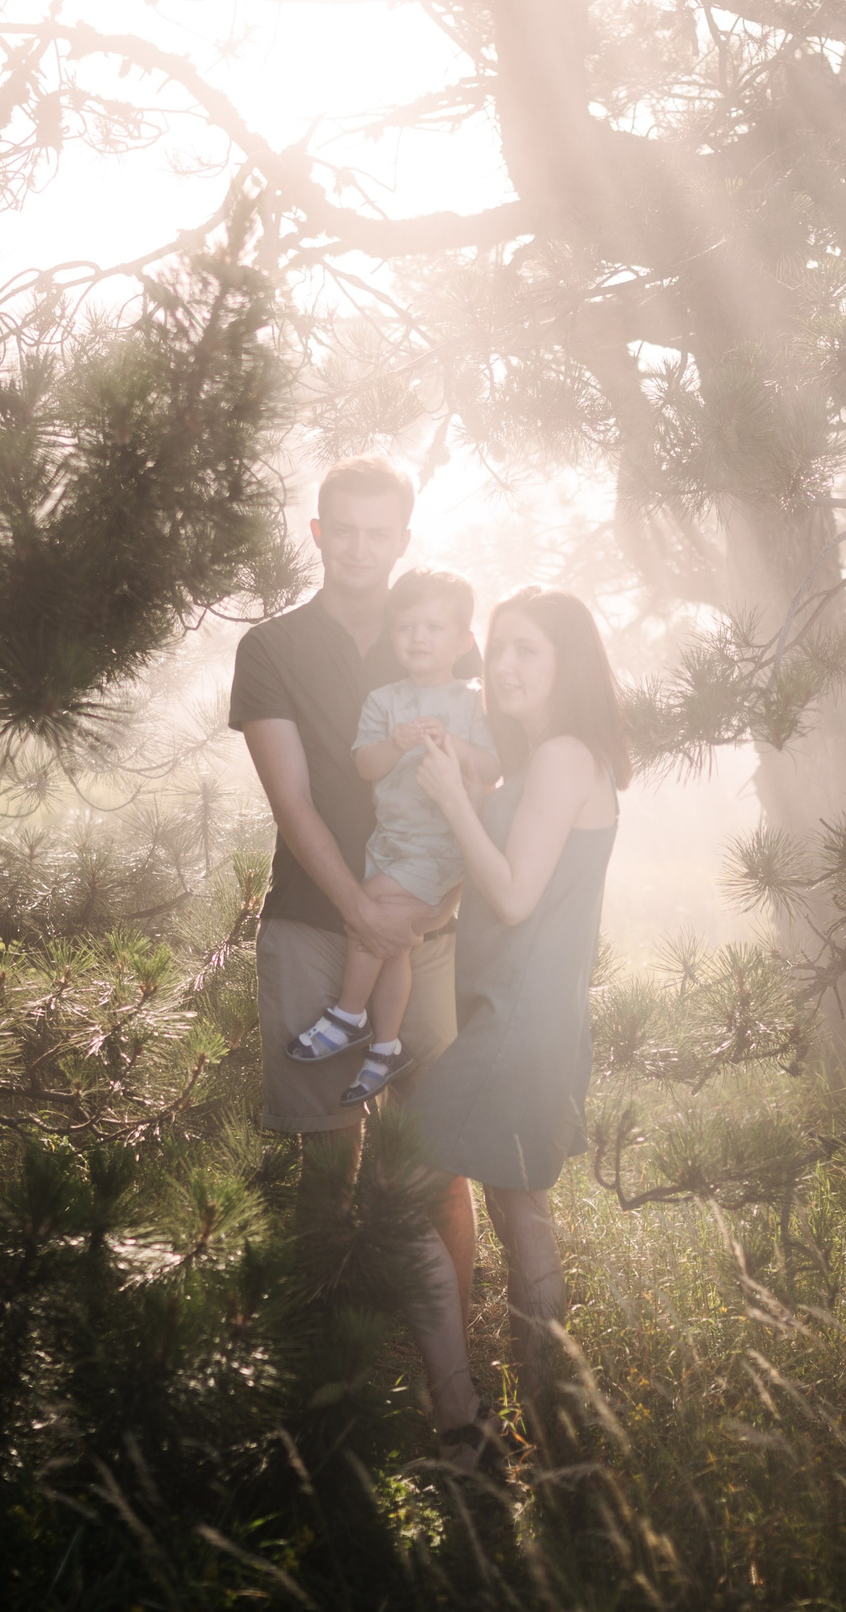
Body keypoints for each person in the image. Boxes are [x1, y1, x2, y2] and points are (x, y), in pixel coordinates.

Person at [394, 587, 627, 1472]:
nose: (506, 666)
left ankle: (463, 1426)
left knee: (401, 1181)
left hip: (517, 1025)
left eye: (528, 649)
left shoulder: (566, 754)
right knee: (518, 1204)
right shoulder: (548, 761)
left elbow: (515, 893)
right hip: (528, 1019)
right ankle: (552, 1433)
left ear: (568, 663)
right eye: (498, 650)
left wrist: (454, 796)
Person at [228, 458, 476, 1279]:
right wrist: (359, 911)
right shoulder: (272, 649)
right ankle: (322, 1371)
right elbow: (292, 801)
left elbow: (479, 790)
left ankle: (457, 1375)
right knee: (328, 1166)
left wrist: (434, 909)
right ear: (318, 533)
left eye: (380, 533)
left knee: (437, 1159)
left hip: (428, 926)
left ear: (403, 540)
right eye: (346, 531)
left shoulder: (440, 644)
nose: (361, 549)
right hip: (310, 918)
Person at [287, 568, 500, 1105]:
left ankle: (348, 1015)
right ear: (392, 637)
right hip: (391, 843)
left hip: (442, 846)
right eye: (406, 628)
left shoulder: (474, 702)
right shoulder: (384, 701)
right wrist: (397, 742)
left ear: (464, 641)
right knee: (393, 945)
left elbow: (493, 767)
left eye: (434, 627)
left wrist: (450, 740)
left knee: (374, 914)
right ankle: (385, 1048)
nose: (419, 638)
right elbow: (365, 765)